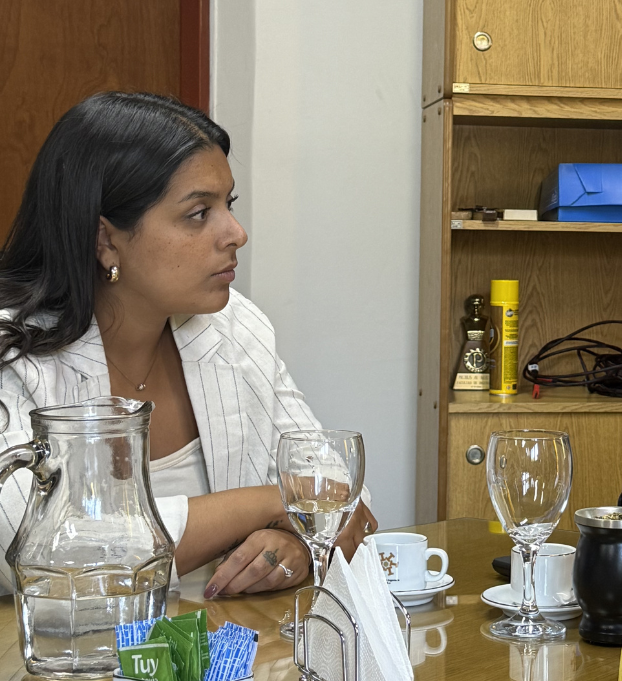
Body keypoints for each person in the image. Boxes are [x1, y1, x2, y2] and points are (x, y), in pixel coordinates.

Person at [0, 92, 375, 598]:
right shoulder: (15, 354)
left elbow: (342, 495)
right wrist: (273, 503)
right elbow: (37, 554)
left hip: (228, 663)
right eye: (199, 213)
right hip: (61, 668)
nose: (236, 233)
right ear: (105, 240)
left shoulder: (234, 326)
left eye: (229, 205)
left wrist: (296, 547)